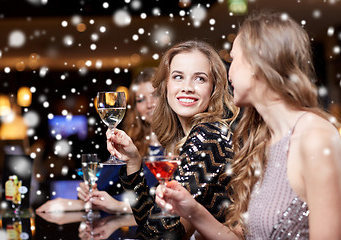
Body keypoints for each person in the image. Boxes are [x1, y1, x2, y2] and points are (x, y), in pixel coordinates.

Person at [155, 11, 341, 239]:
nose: (227, 71)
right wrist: (192, 210)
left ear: (258, 61)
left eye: (233, 60)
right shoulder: (261, 142)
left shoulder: (315, 137)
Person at [104, 40, 239, 238]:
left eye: (199, 79)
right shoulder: (190, 136)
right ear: (165, 85)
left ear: (214, 87)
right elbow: (155, 224)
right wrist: (133, 161)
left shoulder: (208, 136)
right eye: (178, 77)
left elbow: (158, 234)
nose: (187, 87)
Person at [36, 68, 160, 214]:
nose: (149, 104)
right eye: (141, 99)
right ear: (134, 107)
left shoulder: (181, 143)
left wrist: (118, 206)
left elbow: (168, 204)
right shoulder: (132, 144)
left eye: (155, 95)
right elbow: (100, 187)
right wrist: (86, 194)